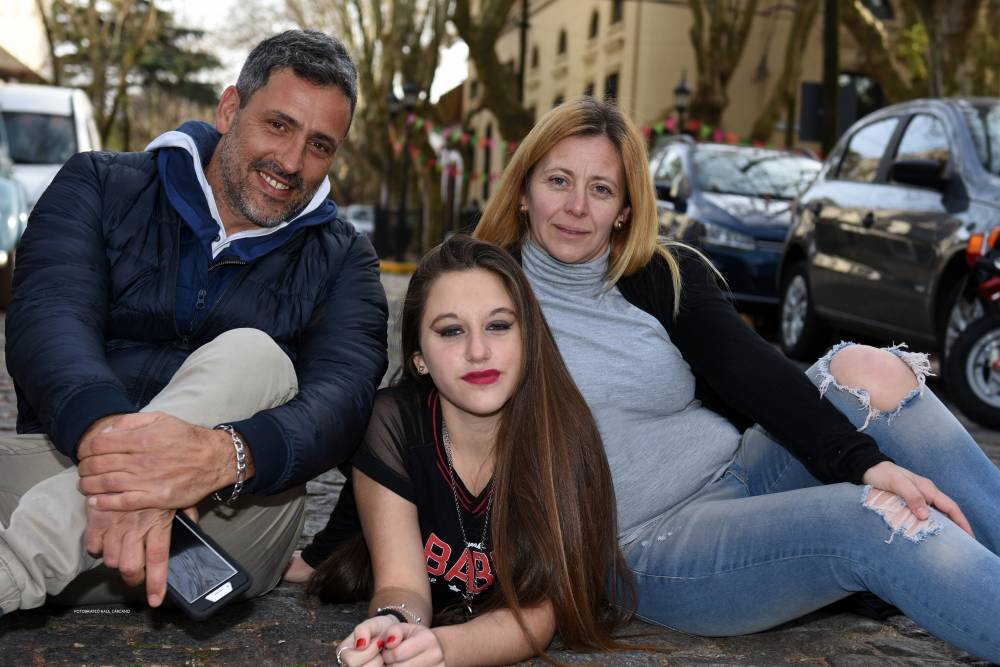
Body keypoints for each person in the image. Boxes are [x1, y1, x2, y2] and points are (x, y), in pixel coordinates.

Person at [468, 97, 1000, 661]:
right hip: (652, 544)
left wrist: (868, 461)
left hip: (744, 470)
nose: (577, 206)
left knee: (870, 370)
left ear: (624, 208)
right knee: (877, 517)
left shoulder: (658, 276)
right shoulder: (481, 296)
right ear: (523, 191)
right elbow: (418, 427)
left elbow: (752, 370)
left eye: (601, 189)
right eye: (558, 181)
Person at [0, 30, 387, 617]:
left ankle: (15, 569)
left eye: (319, 145)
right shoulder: (99, 184)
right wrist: (129, 460)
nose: (291, 161)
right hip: (61, 469)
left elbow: (345, 397)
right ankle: (90, 532)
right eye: (278, 125)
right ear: (231, 108)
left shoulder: (343, 259)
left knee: (254, 355)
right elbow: (49, 317)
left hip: (231, 522)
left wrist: (222, 456)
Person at [304, 236, 632, 666]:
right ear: (419, 357)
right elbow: (401, 584)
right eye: (452, 331)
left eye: (498, 325)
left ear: (528, 337)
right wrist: (394, 625)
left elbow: (537, 614)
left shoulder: (563, 434)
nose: (478, 351)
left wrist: (442, 651)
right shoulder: (392, 425)